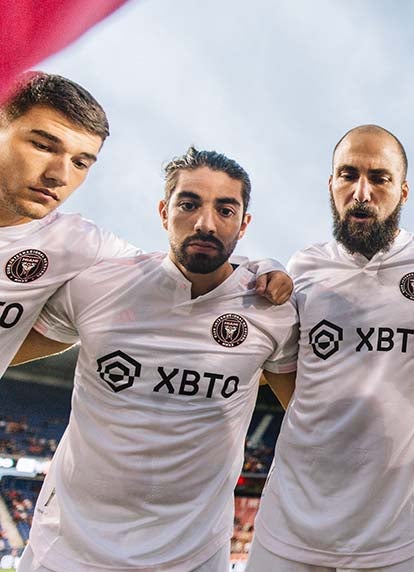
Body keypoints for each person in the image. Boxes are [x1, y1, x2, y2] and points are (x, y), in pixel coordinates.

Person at [1, 147, 300, 572]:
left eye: (225, 210)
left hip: (186, 568)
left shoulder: (272, 314)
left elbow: (306, 410)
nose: (205, 223)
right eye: (189, 204)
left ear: (244, 225)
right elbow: (14, 345)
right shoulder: (99, 285)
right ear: (164, 212)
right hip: (66, 554)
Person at [236, 125, 414, 572]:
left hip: (399, 532)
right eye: (348, 175)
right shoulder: (304, 267)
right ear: (330, 184)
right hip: (293, 523)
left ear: (403, 190)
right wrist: (328, 435)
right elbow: (287, 377)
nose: (362, 192)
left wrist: (402, 451)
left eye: (380, 178)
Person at [0, 71, 290, 381]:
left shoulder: (81, 246)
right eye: (43, 146)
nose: (59, 174)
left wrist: (264, 271)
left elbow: (179, 274)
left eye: (81, 162)